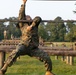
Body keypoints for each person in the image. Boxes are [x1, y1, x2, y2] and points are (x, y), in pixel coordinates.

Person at [0, 0, 55, 75]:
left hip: (33, 48)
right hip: (24, 45)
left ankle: (48, 71)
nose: (28, 16)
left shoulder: (35, 24)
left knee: (46, 57)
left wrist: (32, 26)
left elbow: (38, 18)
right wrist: (24, 3)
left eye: (29, 16)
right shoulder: (22, 25)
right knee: (15, 52)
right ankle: (3, 69)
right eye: (27, 16)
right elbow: (21, 15)